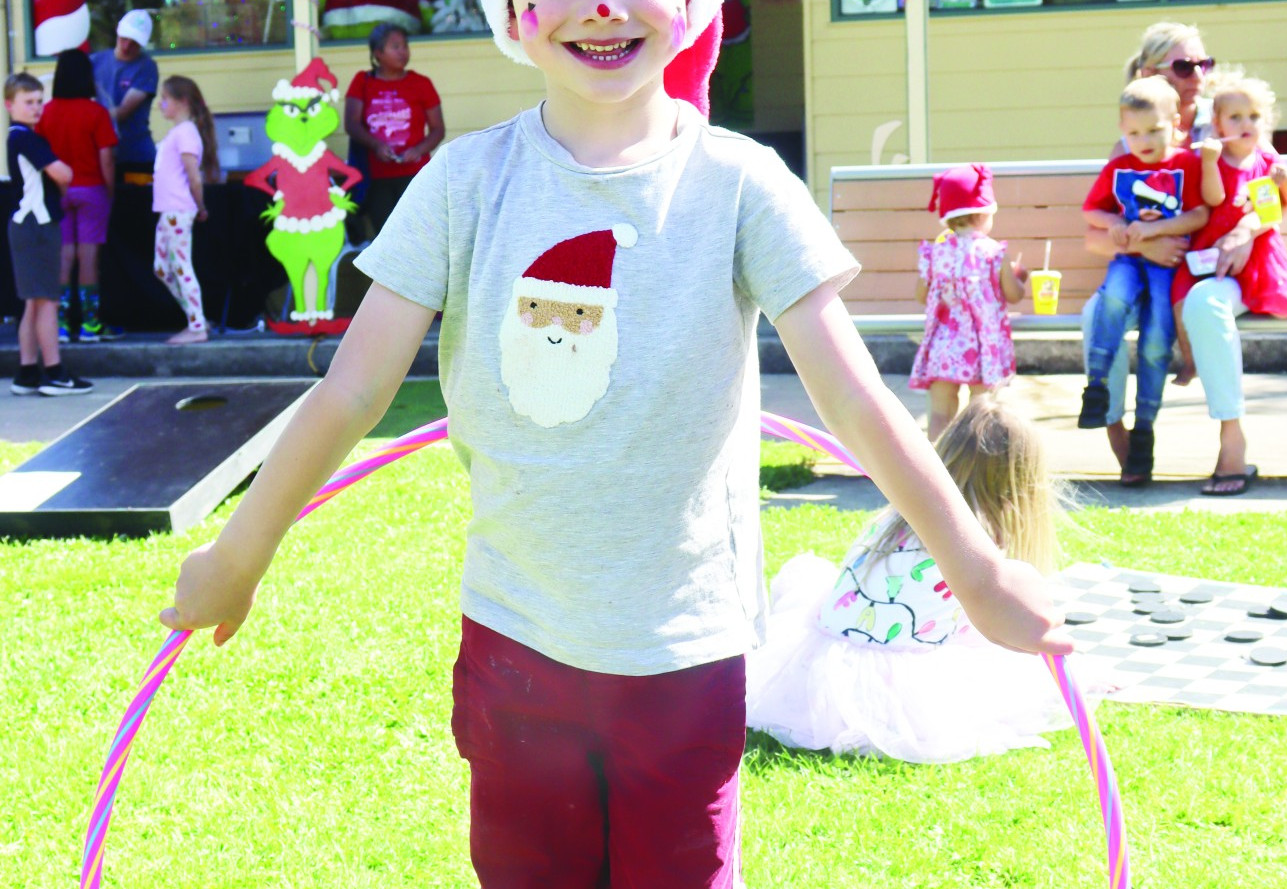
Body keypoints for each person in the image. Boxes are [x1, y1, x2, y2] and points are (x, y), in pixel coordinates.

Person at [159, 0, 1073, 884]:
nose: (600, 7)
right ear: (512, 13)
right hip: (517, 644)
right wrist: (241, 553)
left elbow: (854, 398)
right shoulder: (463, 183)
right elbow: (351, 389)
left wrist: (979, 571)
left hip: (684, 653)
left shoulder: (742, 183)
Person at [747, 399, 1091, 764]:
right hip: (893, 683)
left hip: (824, 660)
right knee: (1009, 658)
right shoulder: (978, 541)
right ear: (1021, 480)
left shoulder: (902, 512)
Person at [1083, 21, 1215, 474]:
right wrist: (1145, 246)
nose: (1196, 74)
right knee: (1098, 313)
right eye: (1183, 65)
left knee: (1188, 316)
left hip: (1202, 268)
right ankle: (1119, 436)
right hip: (1142, 265)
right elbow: (1096, 228)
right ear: (1148, 74)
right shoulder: (1130, 144)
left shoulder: (1225, 122)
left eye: (1203, 63)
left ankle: (1195, 442)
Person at [1174, 72, 1287, 496]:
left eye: (1254, 116)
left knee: (1204, 303)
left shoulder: (1267, 163)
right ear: (1217, 124)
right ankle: (1231, 431)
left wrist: (1250, 227)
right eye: (1235, 116)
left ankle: (1231, 447)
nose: (1246, 123)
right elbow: (1214, 201)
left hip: (1258, 272)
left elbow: (1282, 206)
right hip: (1213, 271)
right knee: (1201, 303)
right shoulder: (1204, 160)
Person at [910, 164, 1026, 440]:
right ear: (985, 213)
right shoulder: (993, 253)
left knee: (940, 411)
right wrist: (1019, 277)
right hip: (982, 349)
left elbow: (921, 296)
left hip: (944, 345)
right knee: (981, 411)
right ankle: (972, 469)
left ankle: (938, 466)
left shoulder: (935, 253)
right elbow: (1013, 295)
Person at [6, 72, 91, 396]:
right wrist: (62, 176)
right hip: (36, 227)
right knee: (47, 303)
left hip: (25, 226)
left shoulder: (20, 137)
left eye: (40, 101)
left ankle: (28, 372)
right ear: (9, 104)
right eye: (28, 102)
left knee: (33, 302)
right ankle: (55, 373)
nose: (36, 108)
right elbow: (63, 173)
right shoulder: (26, 138)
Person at [36, 49, 118, 345]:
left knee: (64, 254)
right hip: (91, 187)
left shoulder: (45, 112)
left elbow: (40, 155)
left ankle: (59, 325)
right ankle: (90, 325)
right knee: (88, 256)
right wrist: (109, 191)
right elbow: (106, 157)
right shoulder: (96, 113)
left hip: (58, 189)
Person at [344, 23, 444, 239]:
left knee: (420, 236)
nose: (403, 51)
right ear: (378, 53)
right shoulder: (362, 82)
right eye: (395, 46)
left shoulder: (421, 83)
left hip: (416, 175)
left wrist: (418, 150)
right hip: (376, 176)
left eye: (405, 46)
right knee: (386, 238)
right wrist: (376, 145)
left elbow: (438, 129)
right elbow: (351, 124)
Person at [152, 76, 218, 345]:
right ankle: (195, 316)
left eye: (165, 99)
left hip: (178, 210)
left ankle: (197, 325)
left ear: (182, 102)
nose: (160, 104)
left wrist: (199, 205)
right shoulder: (178, 132)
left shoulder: (186, 133)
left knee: (180, 266)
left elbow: (194, 176)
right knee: (162, 268)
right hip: (169, 210)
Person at [91, 9, 159, 177]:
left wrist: (88, 119)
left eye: (134, 42)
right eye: (124, 39)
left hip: (135, 154)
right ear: (117, 31)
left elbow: (123, 112)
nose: (127, 46)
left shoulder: (146, 67)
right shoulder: (94, 61)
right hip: (100, 153)